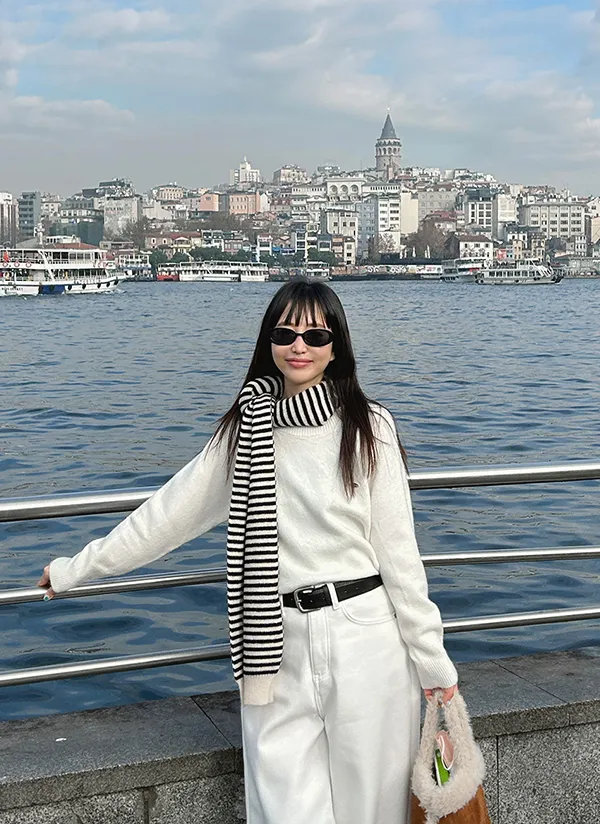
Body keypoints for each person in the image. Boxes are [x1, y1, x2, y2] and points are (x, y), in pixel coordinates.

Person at [38, 278, 458, 824]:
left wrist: (433, 661)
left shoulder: (367, 425)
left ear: (337, 346)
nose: (299, 346)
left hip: (365, 636)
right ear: (268, 342)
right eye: (285, 333)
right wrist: (76, 569)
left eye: (316, 335)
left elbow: (399, 555)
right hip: (271, 641)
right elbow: (167, 515)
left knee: (374, 811)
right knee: (284, 811)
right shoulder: (246, 428)